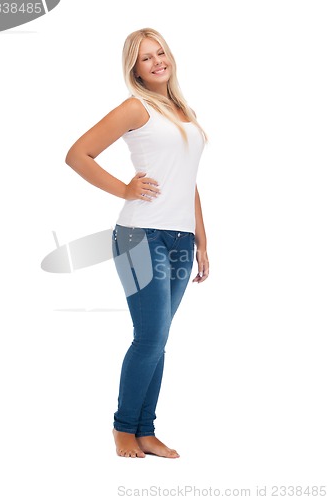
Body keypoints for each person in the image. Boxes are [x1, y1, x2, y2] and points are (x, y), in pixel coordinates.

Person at [65, 27, 209, 459]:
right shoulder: (135, 107)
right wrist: (124, 190)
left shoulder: (183, 111)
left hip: (180, 238)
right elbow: (77, 154)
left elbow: (189, 182)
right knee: (149, 337)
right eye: (146, 58)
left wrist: (203, 240)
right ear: (136, 69)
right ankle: (124, 427)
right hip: (139, 236)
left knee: (158, 338)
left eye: (160, 52)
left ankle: (145, 430)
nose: (157, 61)